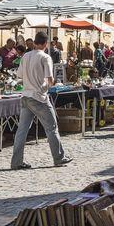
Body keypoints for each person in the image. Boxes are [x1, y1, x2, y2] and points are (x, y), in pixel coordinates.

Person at [10, 32, 72, 170]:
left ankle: (16, 161)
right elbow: (49, 80)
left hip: (25, 96)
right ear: (45, 44)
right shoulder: (45, 57)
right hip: (38, 97)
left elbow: (19, 75)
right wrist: (48, 85)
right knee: (52, 128)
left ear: (35, 42)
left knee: (22, 130)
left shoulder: (25, 56)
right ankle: (59, 158)